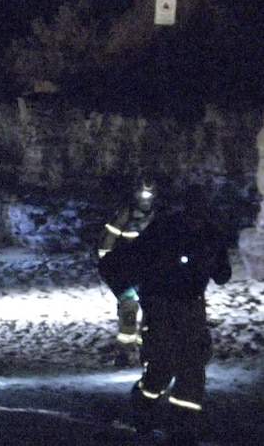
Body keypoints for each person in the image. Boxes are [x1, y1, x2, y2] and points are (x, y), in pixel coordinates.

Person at [98, 184, 232, 443]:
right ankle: (144, 406)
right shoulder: (167, 229)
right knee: (162, 366)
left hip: (190, 308)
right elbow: (132, 258)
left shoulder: (208, 234)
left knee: (192, 372)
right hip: (162, 307)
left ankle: (182, 428)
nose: (199, 214)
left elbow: (223, 275)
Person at [97, 178, 158, 367]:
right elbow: (107, 241)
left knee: (153, 310)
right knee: (129, 307)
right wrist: (107, 265)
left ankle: (147, 350)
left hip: (150, 271)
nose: (145, 200)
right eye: (142, 195)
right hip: (127, 271)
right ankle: (124, 352)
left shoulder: (159, 215)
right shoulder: (126, 214)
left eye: (149, 196)